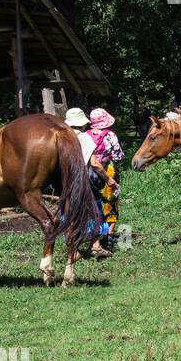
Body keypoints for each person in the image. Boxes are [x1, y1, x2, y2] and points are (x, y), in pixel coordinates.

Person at [64, 107, 117, 259]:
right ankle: (95, 245)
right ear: (82, 123)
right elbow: (94, 163)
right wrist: (109, 179)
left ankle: (73, 249)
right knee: (95, 210)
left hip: (65, 180)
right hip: (83, 179)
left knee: (68, 213)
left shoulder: (61, 136)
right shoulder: (83, 137)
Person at [86, 108, 126, 251]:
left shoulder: (86, 135)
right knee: (110, 204)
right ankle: (107, 238)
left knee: (95, 205)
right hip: (108, 172)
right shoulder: (110, 135)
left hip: (88, 173)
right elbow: (118, 156)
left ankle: (95, 237)